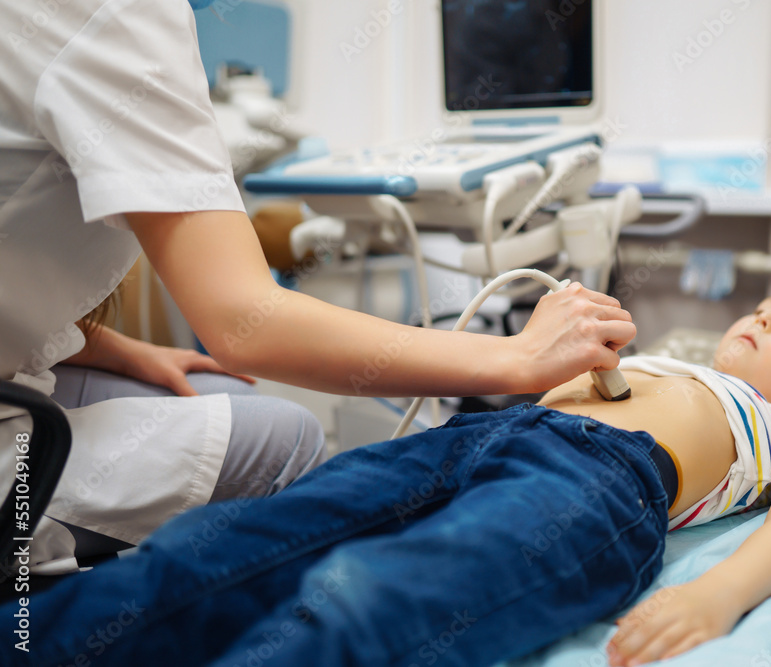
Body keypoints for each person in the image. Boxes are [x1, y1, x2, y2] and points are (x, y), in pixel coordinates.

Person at [0, 0, 634, 574]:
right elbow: (242, 321)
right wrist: (515, 357)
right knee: (287, 437)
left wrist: (120, 350)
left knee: (221, 392)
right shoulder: (120, 15)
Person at [0, 283, 771, 666]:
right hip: (475, 437)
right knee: (221, 548)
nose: (762, 320)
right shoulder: (668, 361)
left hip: (598, 485)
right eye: (764, 308)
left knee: (375, 593)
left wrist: (716, 596)